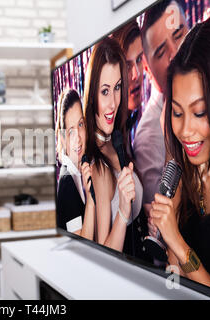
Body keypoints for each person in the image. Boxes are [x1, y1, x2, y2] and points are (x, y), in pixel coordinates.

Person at [150, 12, 210, 299]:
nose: (184, 130)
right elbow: (173, 278)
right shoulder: (184, 168)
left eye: (200, 112)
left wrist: (178, 245)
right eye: (177, 113)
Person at [83, 37, 150, 262]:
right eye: (104, 91)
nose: (112, 103)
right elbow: (103, 258)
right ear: (92, 94)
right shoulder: (97, 165)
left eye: (117, 87)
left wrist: (143, 212)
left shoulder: (115, 140)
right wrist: (123, 211)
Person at [133, 0, 189, 217]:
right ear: (147, 66)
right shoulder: (148, 137)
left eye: (179, 35)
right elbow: (159, 222)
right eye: (161, 52)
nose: (176, 53)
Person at [55, 88, 95, 240]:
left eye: (80, 125)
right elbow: (81, 246)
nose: (78, 137)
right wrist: (91, 198)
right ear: (63, 138)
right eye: (71, 131)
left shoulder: (80, 171)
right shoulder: (67, 185)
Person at [112, 19, 147, 154]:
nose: (136, 74)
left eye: (139, 59)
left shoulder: (125, 131)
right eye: (127, 66)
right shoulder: (109, 144)